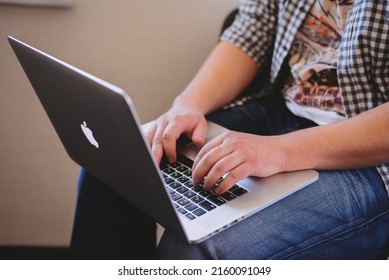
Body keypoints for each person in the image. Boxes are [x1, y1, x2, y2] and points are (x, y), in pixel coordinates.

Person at [69, 0, 389, 259]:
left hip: (370, 157)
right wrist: (187, 105)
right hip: (279, 110)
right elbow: (250, 31)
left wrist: (281, 152)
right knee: (116, 168)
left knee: (197, 253)